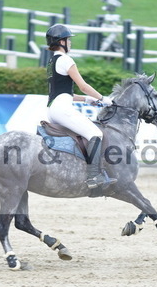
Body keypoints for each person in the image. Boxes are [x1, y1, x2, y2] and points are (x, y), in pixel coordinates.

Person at [45, 24, 117, 190]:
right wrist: (102, 98)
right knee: (95, 133)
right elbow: (83, 85)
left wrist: (86, 100)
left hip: (53, 109)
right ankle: (94, 176)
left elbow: (63, 92)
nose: (70, 43)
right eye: (68, 40)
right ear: (61, 41)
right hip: (62, 109)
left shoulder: (52, 61)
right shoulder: (66, 60)